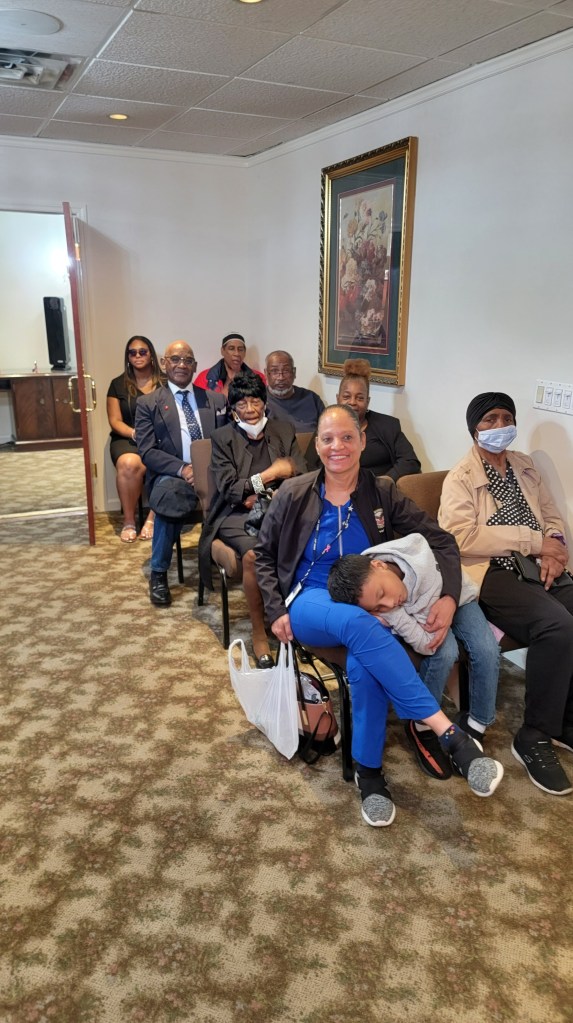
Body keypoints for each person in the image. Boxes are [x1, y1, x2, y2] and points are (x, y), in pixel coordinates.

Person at [255, 405, 503, 828]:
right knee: (363, 625)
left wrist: (448, 596)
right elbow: (262, 554)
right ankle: (450, 735)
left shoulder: (381, 491)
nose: (337, 446)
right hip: (311, 599)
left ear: (362, 441)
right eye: (328, 439)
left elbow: (442, 541)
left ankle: (368, 774)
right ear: (317, 446)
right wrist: (275, 610)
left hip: (367, 601)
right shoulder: (293, 493)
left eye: (347, 437)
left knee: (364, 664)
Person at [439, 391, 573, 797]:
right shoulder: (461, 477)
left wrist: (554, 547)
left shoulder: (525, 466)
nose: (500, 426)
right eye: (490, 419)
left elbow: (551, 516)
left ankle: (564, 721)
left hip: (538, 563)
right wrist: (533, 542)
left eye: (507, 418)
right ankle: (533, 734)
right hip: (491, 571)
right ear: (474, 428)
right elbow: (460, 537)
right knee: (557, 626)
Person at [327, 533, 500, 750]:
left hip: (460, 599)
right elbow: (426, 644)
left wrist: (444, 605)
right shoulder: (383, 600)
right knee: (444, 652)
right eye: (378, 608)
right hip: (425, 621)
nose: (389, 603)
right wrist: (393, 615)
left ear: (379, 564)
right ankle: (422, 722)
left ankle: (478, 724)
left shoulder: (420, 564)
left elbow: (433, 546)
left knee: (487, 649)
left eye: (382, 593)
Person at [198, 371, 307, 667]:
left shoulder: (283, 430)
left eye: (255, 401)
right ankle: (259, 631)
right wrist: (271, 474)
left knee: (303, 542)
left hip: (279, 509)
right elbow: (230, 490)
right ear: (233, 408)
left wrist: (259, 490)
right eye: (242, 403)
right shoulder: (223, 438)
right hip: (235, 515)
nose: (250, 409)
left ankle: (291, 620)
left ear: (265, 402)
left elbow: (300, 472)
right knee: (253, 556)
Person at [135, 340, 227, 607]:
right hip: (174, 474)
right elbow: (147, 451)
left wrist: (209, 469)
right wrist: (184, 468)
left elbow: (227, 440)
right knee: (168, 496)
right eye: (175, 359)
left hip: (214, 472)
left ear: (195, 366)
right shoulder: (148, 403)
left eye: (187, 360)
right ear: (164, 364)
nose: (181, 365)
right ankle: (159, 573)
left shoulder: (215, 400)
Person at [306, 358, 421, 479]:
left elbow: (410, 462)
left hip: (380, 487)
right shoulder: (326, 425)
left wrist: (384, 482)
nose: (352, 402)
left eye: (360, 398)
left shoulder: (388, 426)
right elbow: (310, 465)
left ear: (368, 401)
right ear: (338, 399)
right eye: (346, 396)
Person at [106, 335, 163, 543]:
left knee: (167, 460)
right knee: (129, 463)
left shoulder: (166, 382)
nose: (137, 356)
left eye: (142, 351)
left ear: (151, 355)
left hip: (160, 439)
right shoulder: (117, 384)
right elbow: (114, 420)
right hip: (128, 438)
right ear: (128, 357)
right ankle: (129, 521)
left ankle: (153, 518)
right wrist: (134, 433)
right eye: (132, 352)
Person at [264, 350, 325, 432]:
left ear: (294, 372)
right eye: (274, 371)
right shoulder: (258, 400)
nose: (281, 377)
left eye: (286, 371)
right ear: (266, 373)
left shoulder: (312, 398)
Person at [194, 333, 265, 398]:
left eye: (240, 349)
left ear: (245, 353)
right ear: (222, 351)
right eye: (231, 349)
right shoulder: (205, 378)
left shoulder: (258, 378)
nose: (236, 353)